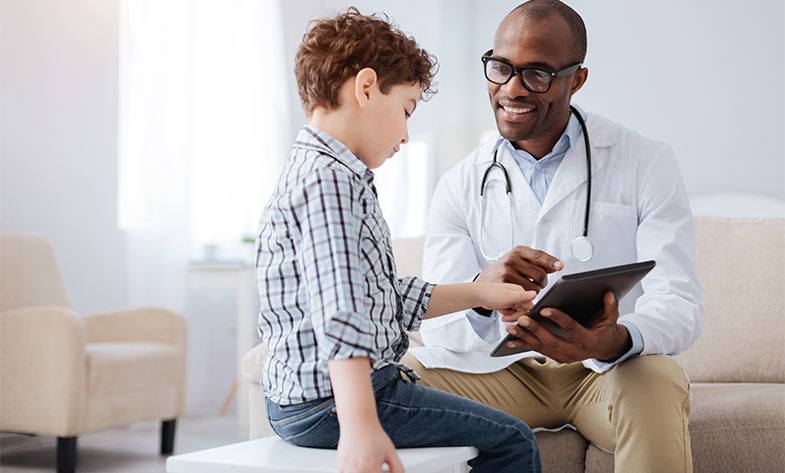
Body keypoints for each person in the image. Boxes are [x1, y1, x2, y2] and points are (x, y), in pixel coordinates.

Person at [403, 1, 703, 472]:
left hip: (607, 371)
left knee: (659, 382)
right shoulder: (460, 183)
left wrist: (610, 340)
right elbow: (437, 327)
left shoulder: (645, 162)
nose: (512, 89)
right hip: (502, 374)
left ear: (576, 79)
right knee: (400, 382)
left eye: (537, 74)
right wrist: (482, 293)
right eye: (501, 68)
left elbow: (680, 304)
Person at [256, 9, 543, 473]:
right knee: (512, 440)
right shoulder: (331, 182)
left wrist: (480, 292)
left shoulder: (320, 173)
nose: (407, 135)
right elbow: (342, 310)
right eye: (406, 109)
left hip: (310, 402)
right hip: (332, 402)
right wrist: (360, 424)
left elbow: (381, 298)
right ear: (366, 88)